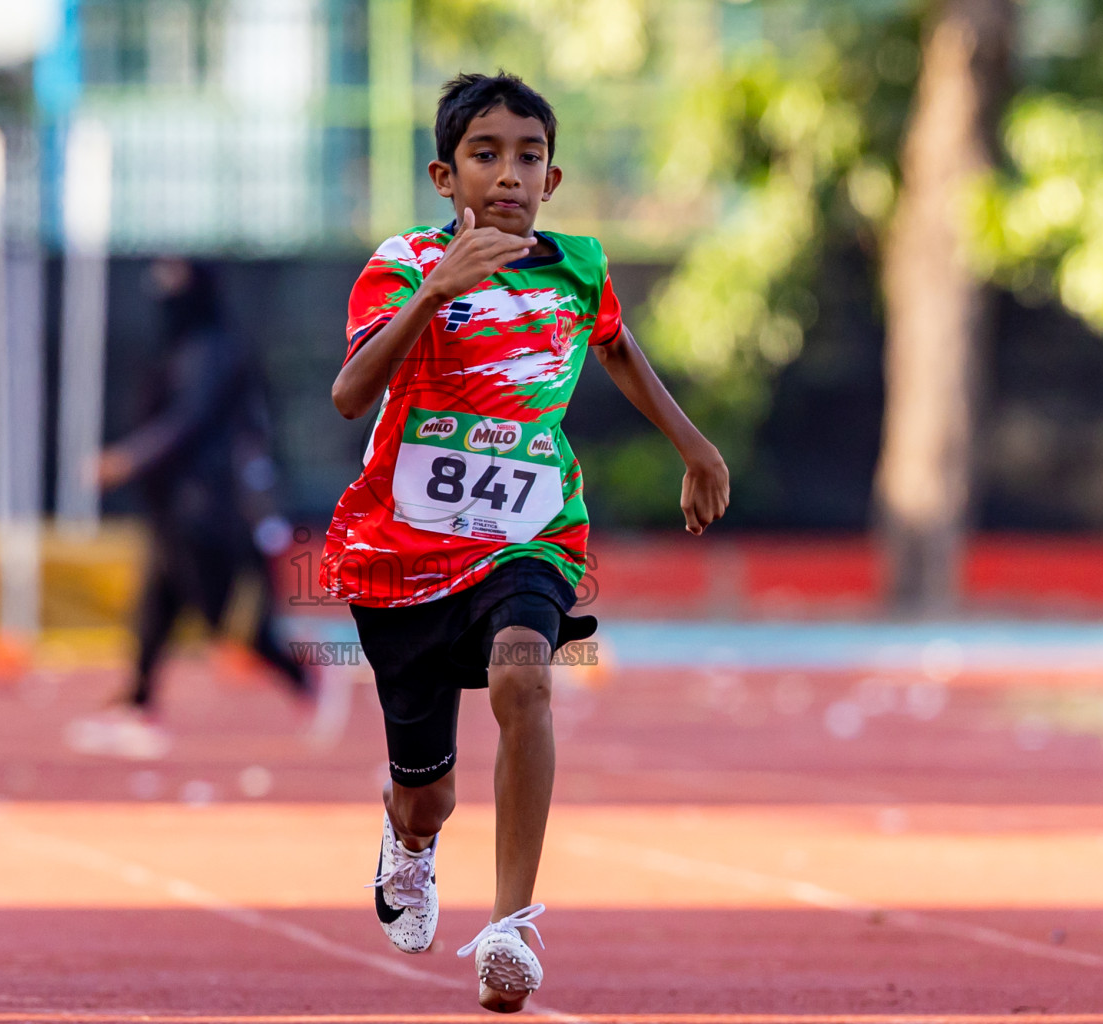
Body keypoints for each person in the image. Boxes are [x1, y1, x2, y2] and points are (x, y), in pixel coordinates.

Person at [322, 73, 730, 1012]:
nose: (509, 173)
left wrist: (694, 444)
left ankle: (508, 927)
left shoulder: (577, 268)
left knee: (525, 675)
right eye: (486, 154)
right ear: (445, 175)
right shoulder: (402, 262)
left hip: (530, 533)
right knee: (428, 794)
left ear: (552, 178)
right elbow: (349, 394)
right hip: (403, 555)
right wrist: (439, 288)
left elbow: (615, 343)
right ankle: (409, 838)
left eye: (529, 156)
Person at [74, 259, 309, 760]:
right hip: (174, 505)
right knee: (155, 604)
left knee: (227, 621)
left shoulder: (216, 349)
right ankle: (137, 702)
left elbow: (189, 421)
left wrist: (128, 459)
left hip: (207, 508)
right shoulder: (180, 347)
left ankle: (303, 674)